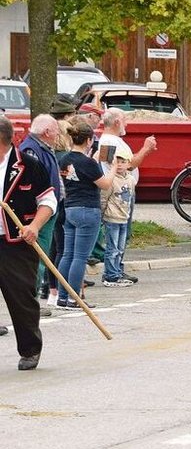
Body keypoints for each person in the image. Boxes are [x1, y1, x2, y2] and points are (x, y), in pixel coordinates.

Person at [0, 114, 58, 364]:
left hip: (15, 243)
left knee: (21, 298)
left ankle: (30, 349)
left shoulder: (29, 165)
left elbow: (48, 201)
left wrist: (34, 226)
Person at [55, 121, 110, 310]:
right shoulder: (88, 163)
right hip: (88, 209)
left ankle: (62, 297)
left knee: (68, 254)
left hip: (70, 208)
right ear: (89, 140)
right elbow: (105, 185)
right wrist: (111, 167)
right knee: (80, 257)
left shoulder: (64, 159)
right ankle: (74, 298)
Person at [96, 108, 155, 280]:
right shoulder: (110, 142)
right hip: (117, 194)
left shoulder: (112, 140)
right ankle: (112, 272)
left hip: (123, 191)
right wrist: (145, 149)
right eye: (124, 120)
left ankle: (117, 269)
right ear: (116, 122)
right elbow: (130, 164)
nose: (126, 124)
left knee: (122, 235)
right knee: (117, 237)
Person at [18, 116, 63, 316]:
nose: (58, 134)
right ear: (46, 132)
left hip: (47, 210)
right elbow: (29, 185)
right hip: (37, 214)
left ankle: (31, 302)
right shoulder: (31, 150)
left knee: (40, 259)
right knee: (36, 259)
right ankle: (30, 303)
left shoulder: (42, 148)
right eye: (56, 131)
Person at [100, 150, 136, 288]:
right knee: (112, 248)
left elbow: (131, 199)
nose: (120, 165)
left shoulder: (130, 180)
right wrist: (102, 214)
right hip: (112, 217)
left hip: (124, 217)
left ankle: (117, 271)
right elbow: (104, 198)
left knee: (120, 248)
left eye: (123, 162)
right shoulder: (111, 179)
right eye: (117, 162)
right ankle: (110, 275)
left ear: (129, 164)